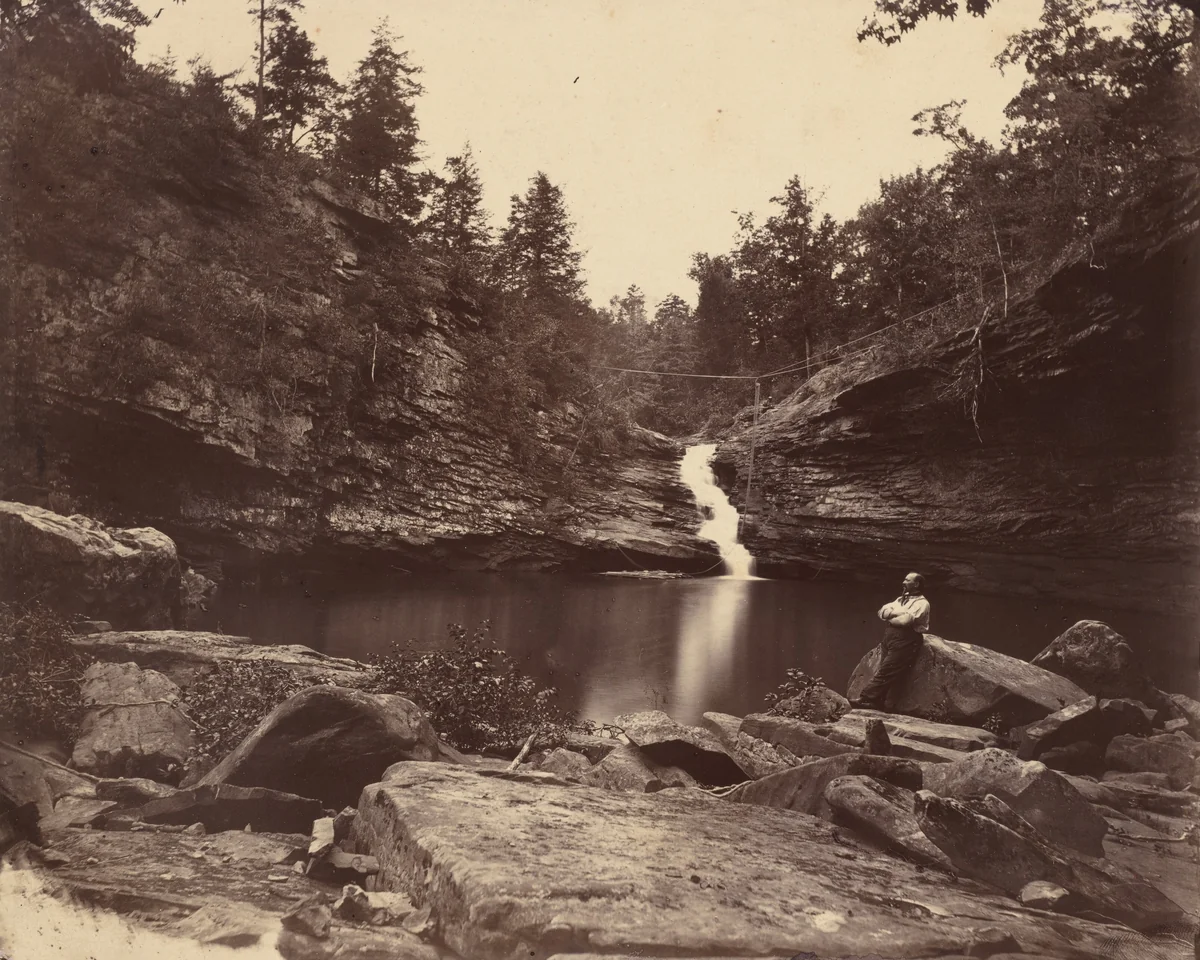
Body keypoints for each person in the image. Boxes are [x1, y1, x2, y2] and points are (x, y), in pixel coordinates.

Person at [850, 572, 930, 711]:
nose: (903, 582)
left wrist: (891, 615)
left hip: (907, 638)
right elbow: (881, 612)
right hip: (890, 636)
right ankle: (877, 702)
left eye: (907, 580)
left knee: (887, 670)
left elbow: (905, 621)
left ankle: (866, 698)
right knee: (884, 668)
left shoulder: (922, 603)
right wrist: (897, 614)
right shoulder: (900, 599)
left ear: (916, 584)